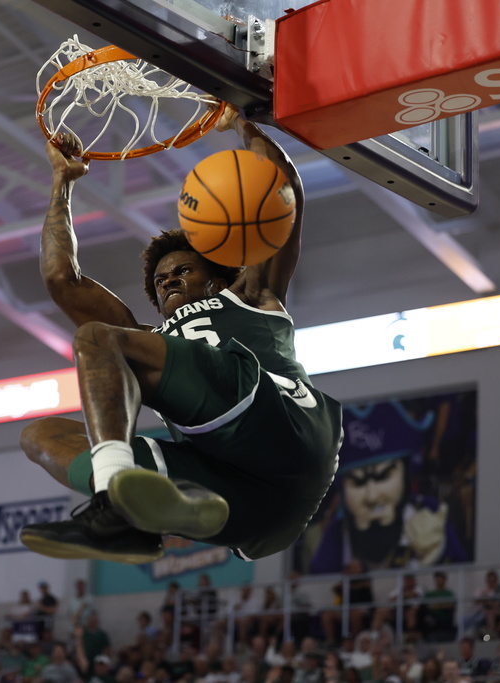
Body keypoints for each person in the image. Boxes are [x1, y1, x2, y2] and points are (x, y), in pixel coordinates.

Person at [17, 105, 343, 564]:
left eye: (182, 270)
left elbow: (282, 186)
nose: (166, 281)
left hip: (283, 426)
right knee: (40, 434)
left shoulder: (252, 292)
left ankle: (114, 509)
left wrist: (240, 121)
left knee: (97, 337)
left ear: (216, 277)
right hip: (264, 512)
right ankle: (167, 510)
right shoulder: (146, 339)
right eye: (159, 281)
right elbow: (61, 280)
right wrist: (62, 184)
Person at [306, 400, 468, 573]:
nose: (372, 496)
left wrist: (438, 553)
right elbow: (317, 581)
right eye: (358, 482)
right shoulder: (338, 533)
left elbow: (465, 572)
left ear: (405, 476)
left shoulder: (428, 511)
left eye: (383, 477)